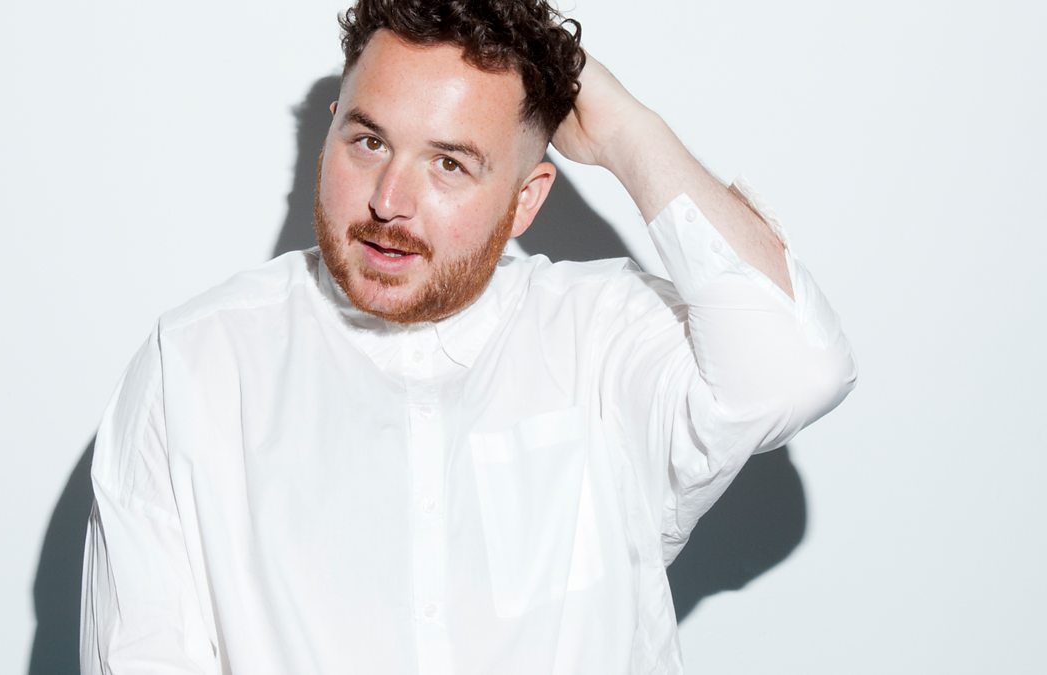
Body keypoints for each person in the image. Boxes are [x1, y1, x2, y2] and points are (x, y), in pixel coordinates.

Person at [80, 0, 857, 672]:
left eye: (449, 163)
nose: (389, 201)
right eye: (369, 141)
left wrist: (624, 128)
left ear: (525, 201)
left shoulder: (601, 338)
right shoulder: (197, 366)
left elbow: (794, 371)